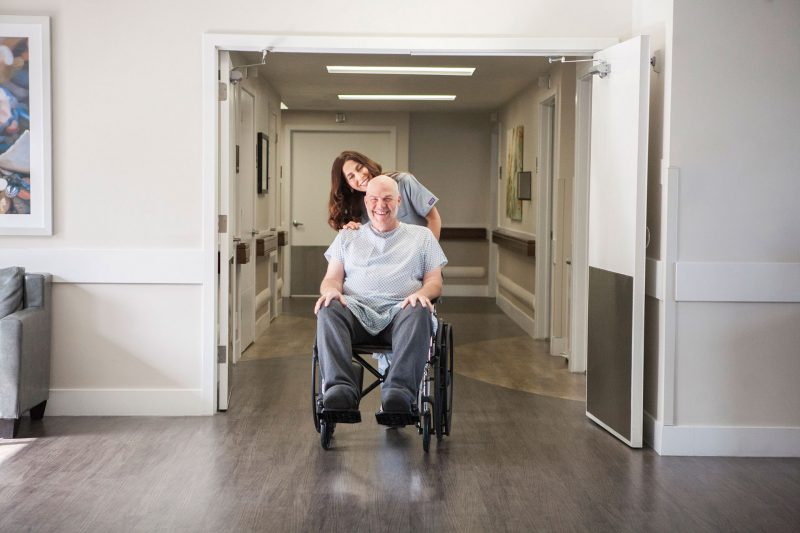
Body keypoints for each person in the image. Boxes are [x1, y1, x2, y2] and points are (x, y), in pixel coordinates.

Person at [314, 175, 447, 416]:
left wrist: (422, 294)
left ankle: (399, 392)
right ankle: (341, 388)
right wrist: (331, 291)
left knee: (420, 309)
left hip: (402, 314)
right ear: (366, 203)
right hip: (356, 312)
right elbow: (332, 278)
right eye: (374, 199)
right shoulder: (347, 236)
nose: (380, 205)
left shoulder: (422, 237)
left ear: (398, 201)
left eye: (387, 199)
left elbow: (435, 282)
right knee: (328, 307)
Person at [328, 150, 442, 240]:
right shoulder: (356, 206)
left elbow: (433, 218)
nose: (360, 176)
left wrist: (428, 255)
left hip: (421, 261)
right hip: (388, 266)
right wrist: (352, 231)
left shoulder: (404, 182)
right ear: (347, 184)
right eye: (351, 176)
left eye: (360, 168)